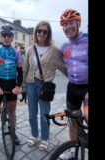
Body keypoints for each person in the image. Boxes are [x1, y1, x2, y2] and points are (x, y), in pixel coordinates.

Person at [23, 21, 67, 151]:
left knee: (44, 114)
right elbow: (25, 68)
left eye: (45, 31)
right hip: (31, 84)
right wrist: (23, 85)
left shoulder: (54, 50)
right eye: (39, 31)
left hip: (45, 85)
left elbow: (63, 66)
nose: (41, 33)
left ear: (48, 34)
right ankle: (34, 135)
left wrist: (77, 78)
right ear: (36, 32)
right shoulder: (30, 49)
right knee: (32, 114)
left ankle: (45, 138)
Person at [58, 8, 88, 159]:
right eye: (65, 24)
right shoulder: (64, 47)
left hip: (87, 88)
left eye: (71, 22)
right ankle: (73, 151)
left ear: (78, 22)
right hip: (72, 88)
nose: (68, 26)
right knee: (73, 121)